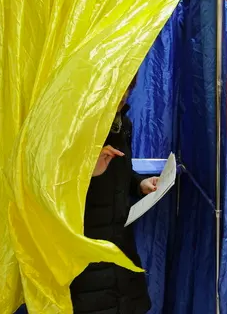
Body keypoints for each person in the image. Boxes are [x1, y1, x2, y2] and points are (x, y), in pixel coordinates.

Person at [70, 76, 159, 314]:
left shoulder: (122, 124)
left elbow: (122, 171)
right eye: (118, 92)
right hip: (87, 249)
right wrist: (87, 171)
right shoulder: (72, 126)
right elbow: (49, 187)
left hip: (120, 244)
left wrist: (140, 184)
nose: (122, 98)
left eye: (127, 91)